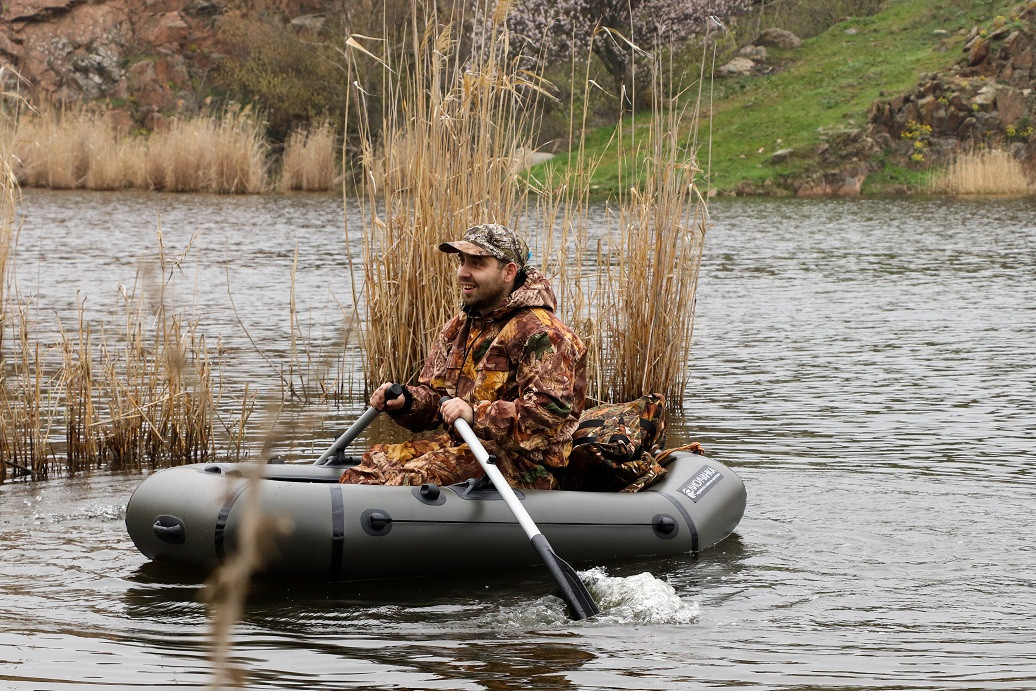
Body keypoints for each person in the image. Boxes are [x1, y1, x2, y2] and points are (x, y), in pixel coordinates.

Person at [339, 223, 587, 489]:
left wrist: (475, 414)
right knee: (373, 464)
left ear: (509, 272)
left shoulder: (543, 334)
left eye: (477, 264)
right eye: (462, 262)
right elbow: (436, 399)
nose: (463, 273)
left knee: (394, 482)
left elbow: (544, 420)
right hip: (470, 448)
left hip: (527, 466)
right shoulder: (459, 327)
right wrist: (406, 401)